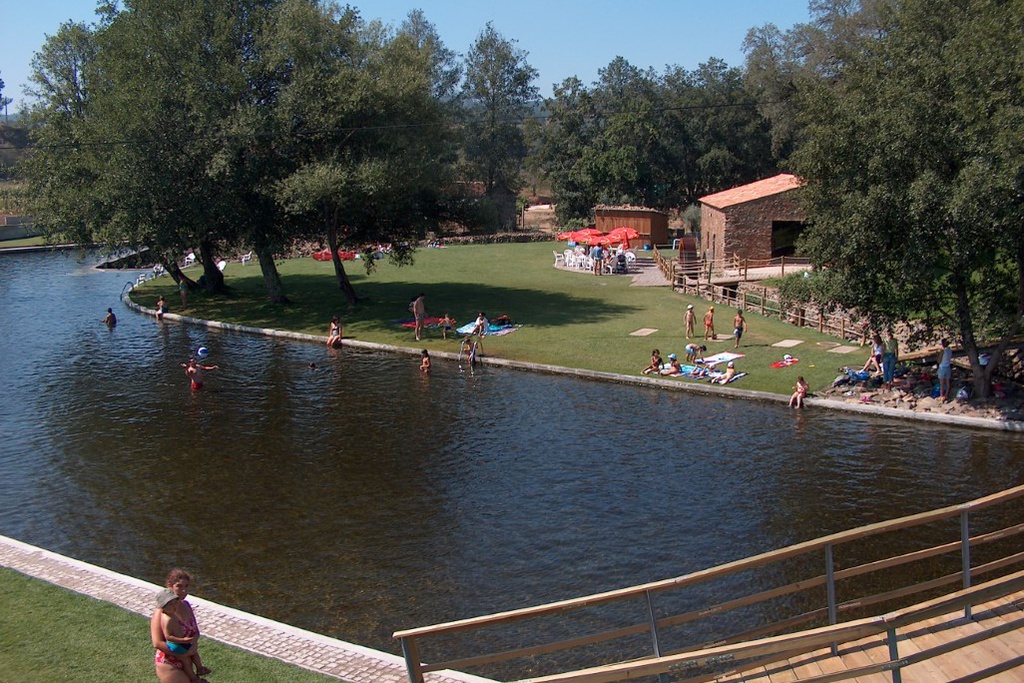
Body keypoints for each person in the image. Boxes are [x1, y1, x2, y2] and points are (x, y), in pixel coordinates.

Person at [151, 568, 210, 683]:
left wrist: (194, 643)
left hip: (188, 660)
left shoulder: (186, 605)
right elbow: (157, 643)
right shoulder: (162, 612)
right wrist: (184, 654)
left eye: (186, 586)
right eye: (179, 586)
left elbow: (195, 631)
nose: (183, 590)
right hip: (169, 662)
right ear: (170, 586)